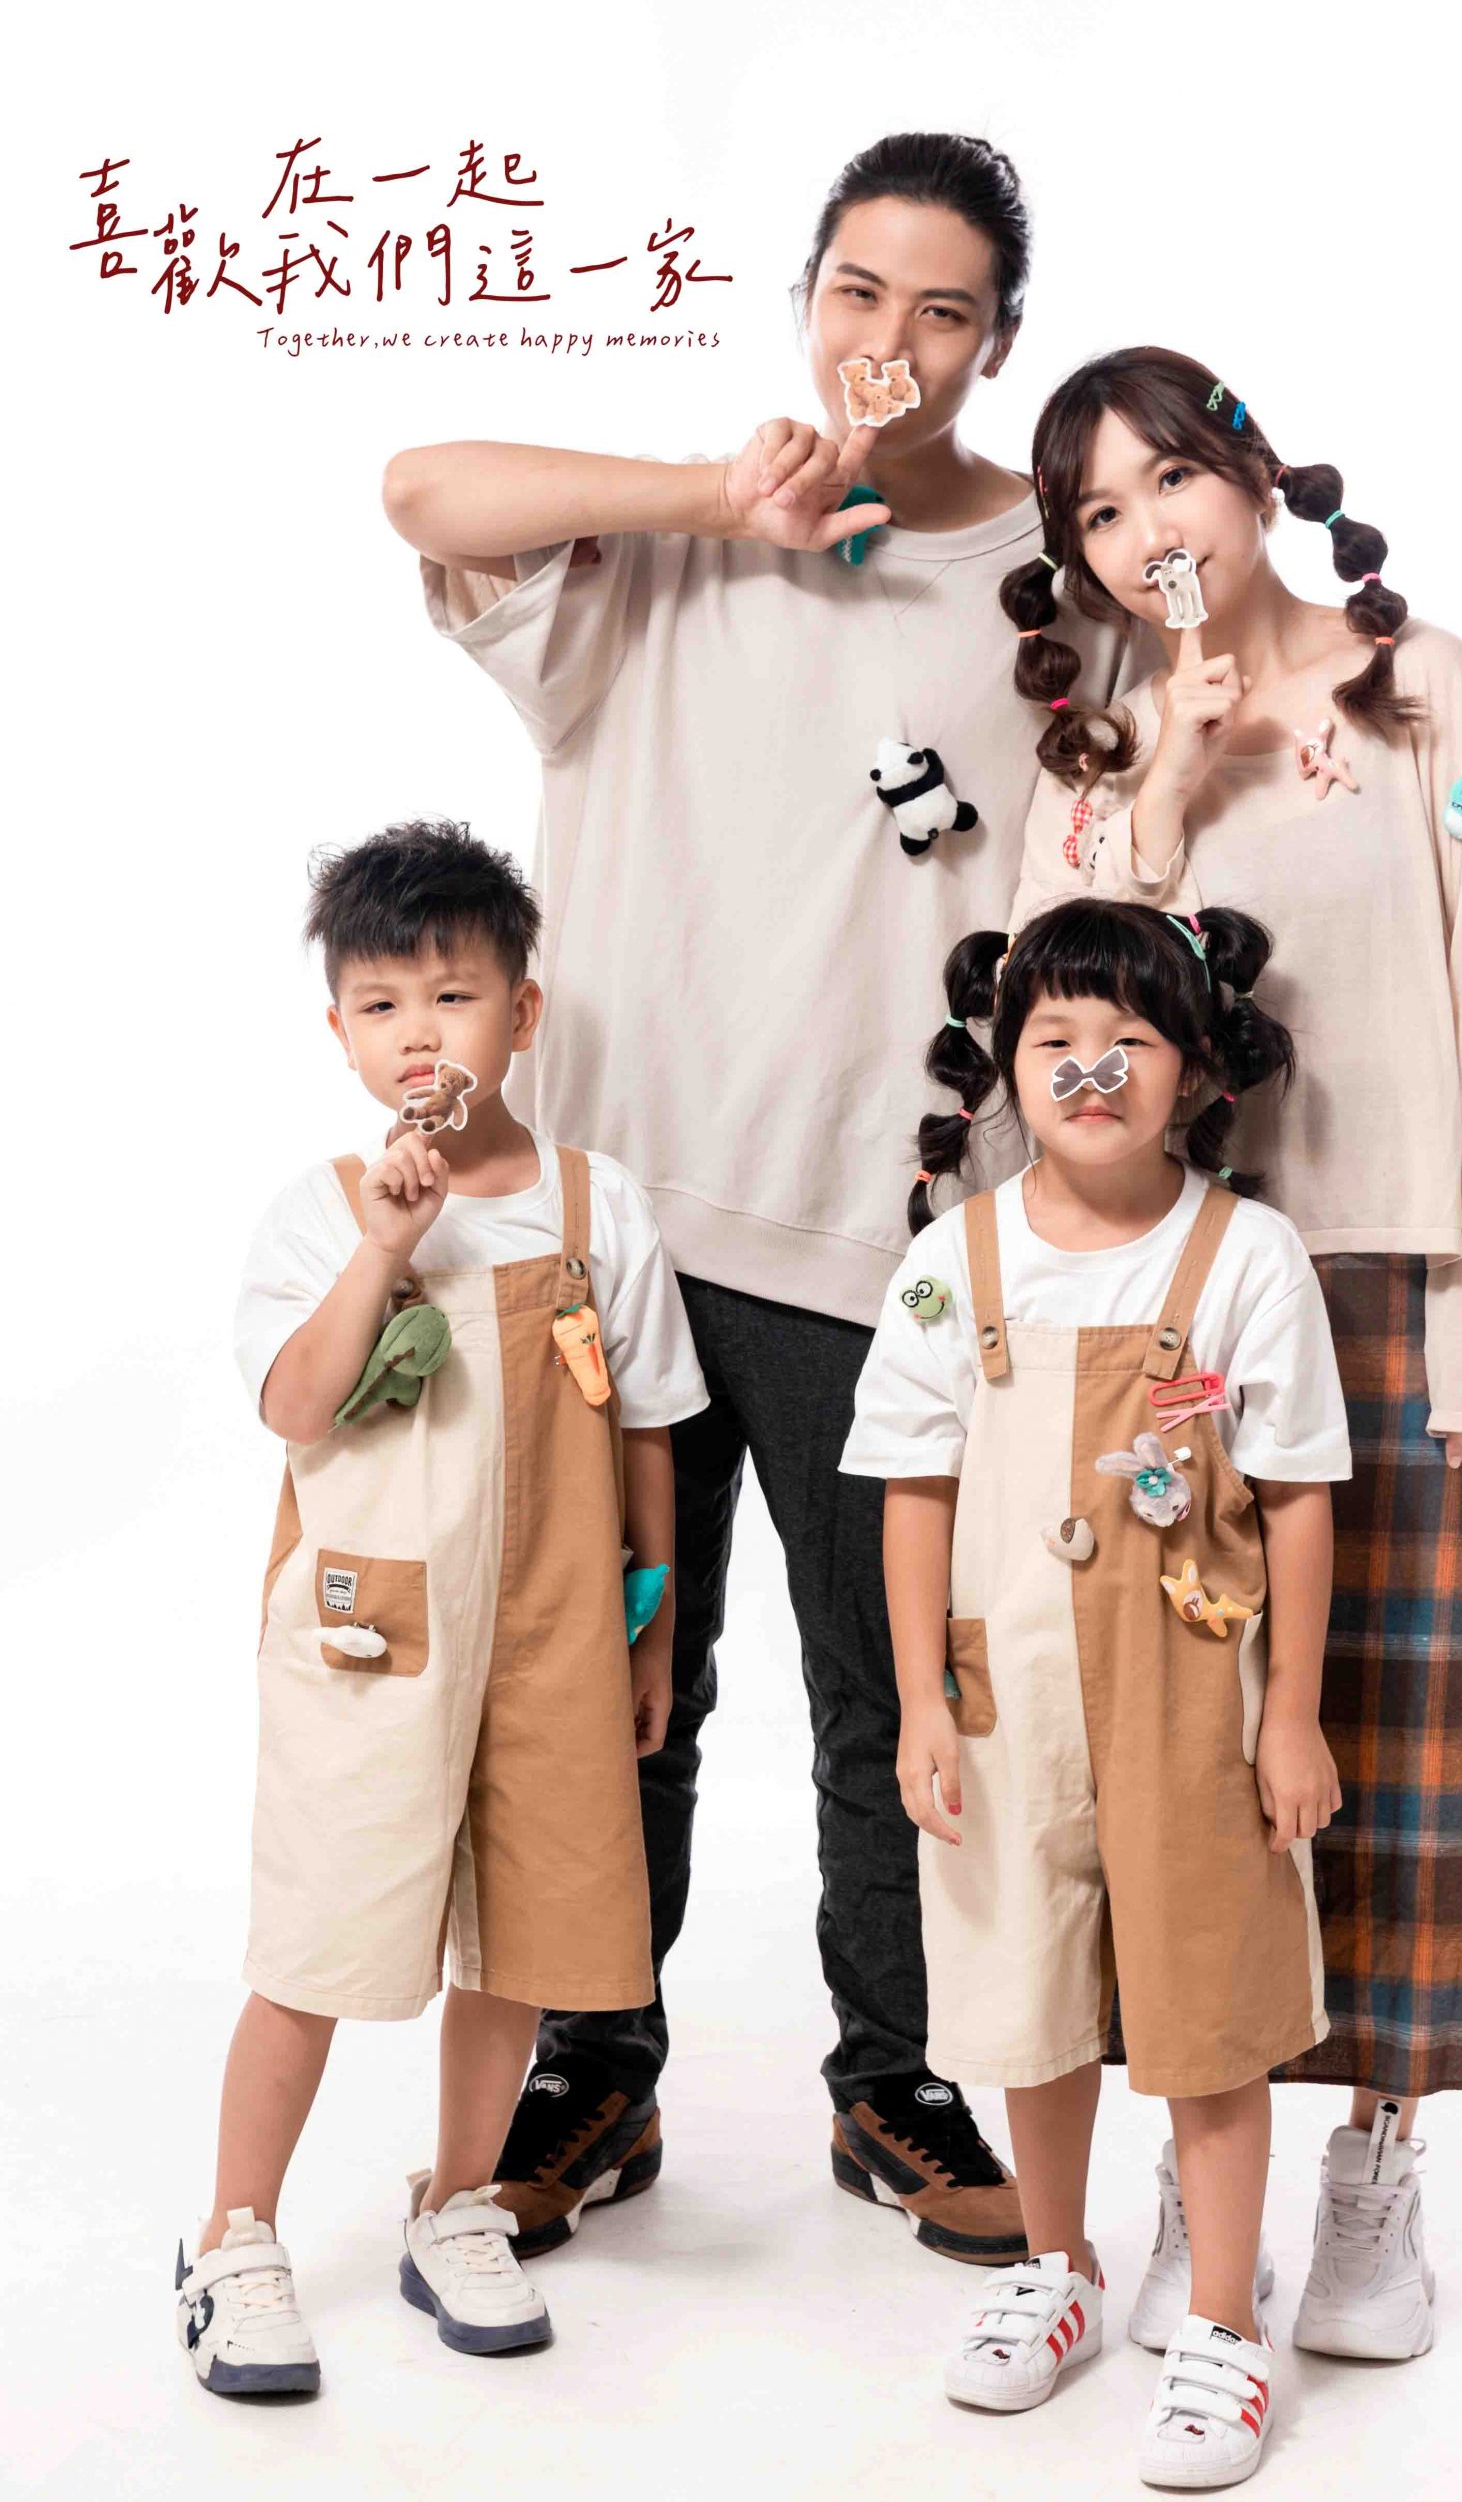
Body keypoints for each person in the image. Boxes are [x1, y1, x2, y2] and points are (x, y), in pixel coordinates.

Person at [382, 133, 1139, 2262]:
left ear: (999, 340)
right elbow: (420, 486)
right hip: (614, 1229)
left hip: (878, 1231)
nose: (891, 341)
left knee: (892, 1689)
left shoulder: (1056, 588)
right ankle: (594, 2069)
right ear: (807, 294)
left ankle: (893, 2076)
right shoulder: (669, 538)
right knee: (609, 1675)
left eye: (943, 309)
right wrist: (719, 501)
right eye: (858, 291)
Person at [1009, 346, 1462, 2359]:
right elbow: (1052, 1023)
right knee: (1196, 1751)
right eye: (1097, 511)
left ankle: (1375, 2170)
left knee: (1396, 1740)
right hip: (1175, 1296)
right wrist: (1165, 783)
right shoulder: (1095, 763)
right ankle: (1206, 2151)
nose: (1144, 530)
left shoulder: (1421, 690)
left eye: (1168, 478)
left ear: (1247, 476)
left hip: (1393, 1284)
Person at [176, 820, 706, 2395]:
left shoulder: (595, 1207)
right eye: (384, 1004)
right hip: (372, 1640)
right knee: (322, 1934)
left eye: (455, 996)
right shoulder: (320, 1210)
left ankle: (460, 2198)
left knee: (519, 1937)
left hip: (555, 1633)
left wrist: (653, 1630)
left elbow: (648, 1430)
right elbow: (296, 1406)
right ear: (339, 1033)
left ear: (522, 1015)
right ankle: (234, 2236)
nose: (421, 1033)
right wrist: (385, 1248)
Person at [843, 897, 1350, 2485]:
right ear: (1005, 1066)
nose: (1091, 1069)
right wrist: (923, 1702)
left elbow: (1298, 1494)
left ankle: (1222, 2322)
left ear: (1196, 1066)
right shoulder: (956, 1258)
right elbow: (913, 1485)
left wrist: (1289, 1714)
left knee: (1208, 2002)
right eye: (1054, 1038)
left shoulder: (1246, 1254)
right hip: (1005, 1695)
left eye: (1129, 1039)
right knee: (1024, 1987)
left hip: (1194, 1696)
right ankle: (1053, 2269)